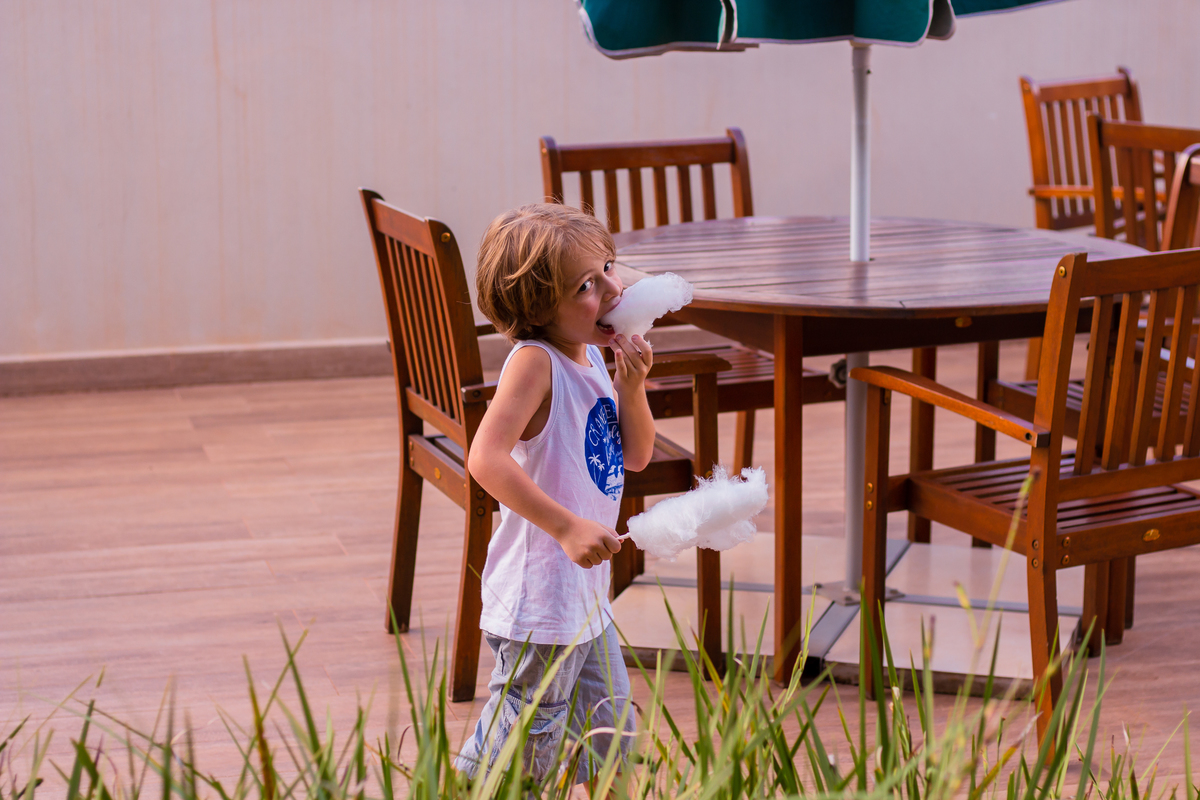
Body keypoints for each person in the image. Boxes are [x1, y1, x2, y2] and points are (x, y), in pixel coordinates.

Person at [454, 203, 654, 785]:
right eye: (587, 286)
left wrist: (631, 386)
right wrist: (566, 526)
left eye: (610, 269)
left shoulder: (590, 354)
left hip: (584, 597)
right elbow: (484, 459)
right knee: (528, 742)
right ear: (538, 308)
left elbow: (635, 456)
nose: (614, 290)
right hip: (539, 603)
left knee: (612, 735)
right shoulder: (535, 363)